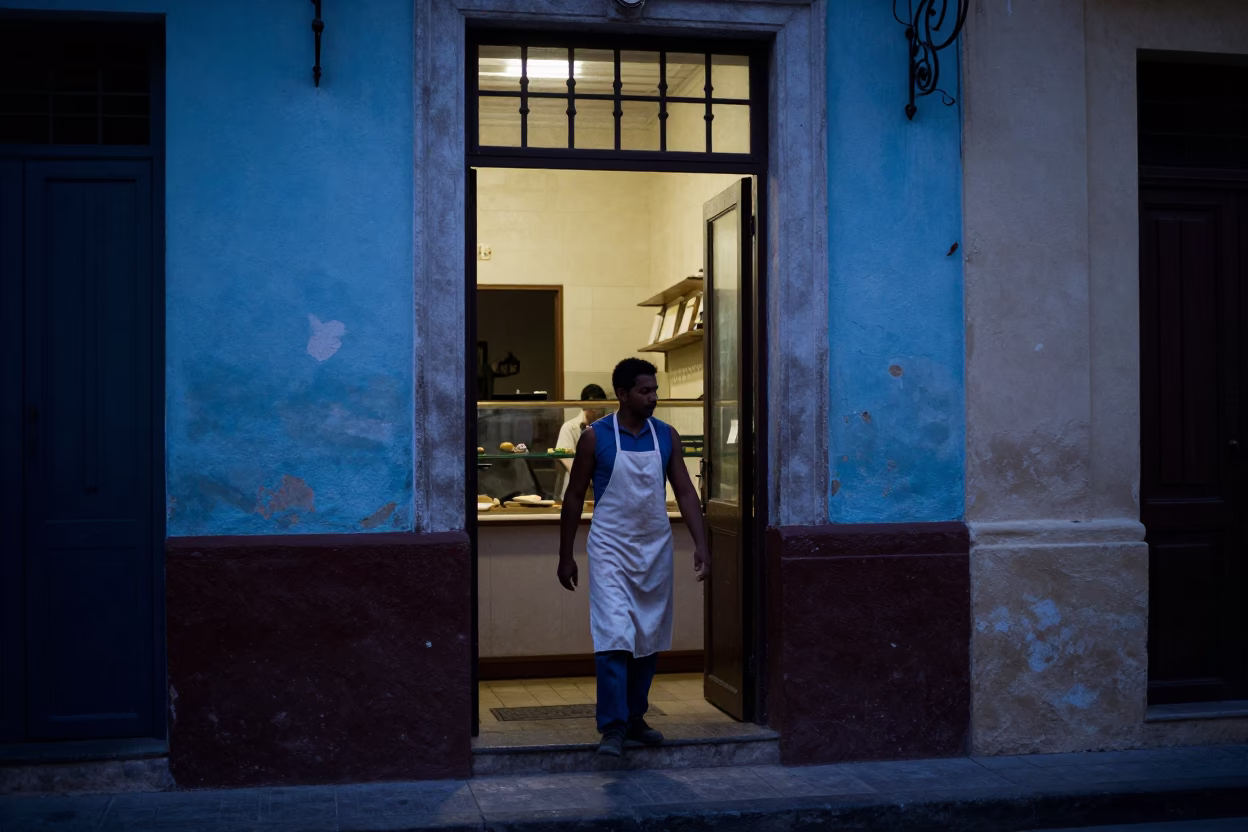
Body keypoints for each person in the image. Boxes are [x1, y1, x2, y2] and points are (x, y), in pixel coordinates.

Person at [557, 357, 709, 757]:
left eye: (654, 390)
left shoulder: (666, 436)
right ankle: (612, 727)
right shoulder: (595, 437)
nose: (652, 398)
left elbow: (686, 492)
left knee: (648, 634)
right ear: (622, 394)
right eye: (644, 391)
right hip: (609, 548)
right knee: (613, 635)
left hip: (654, 547)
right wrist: (565, 554)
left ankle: (636, 717)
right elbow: (573, 497)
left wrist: (702, 543)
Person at [554, 383, 609, 500]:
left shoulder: (609, 427)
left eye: (601, 406)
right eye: (594, 405)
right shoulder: (569, 427)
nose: (598, 410)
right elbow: (568, 460)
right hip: (577, 491)